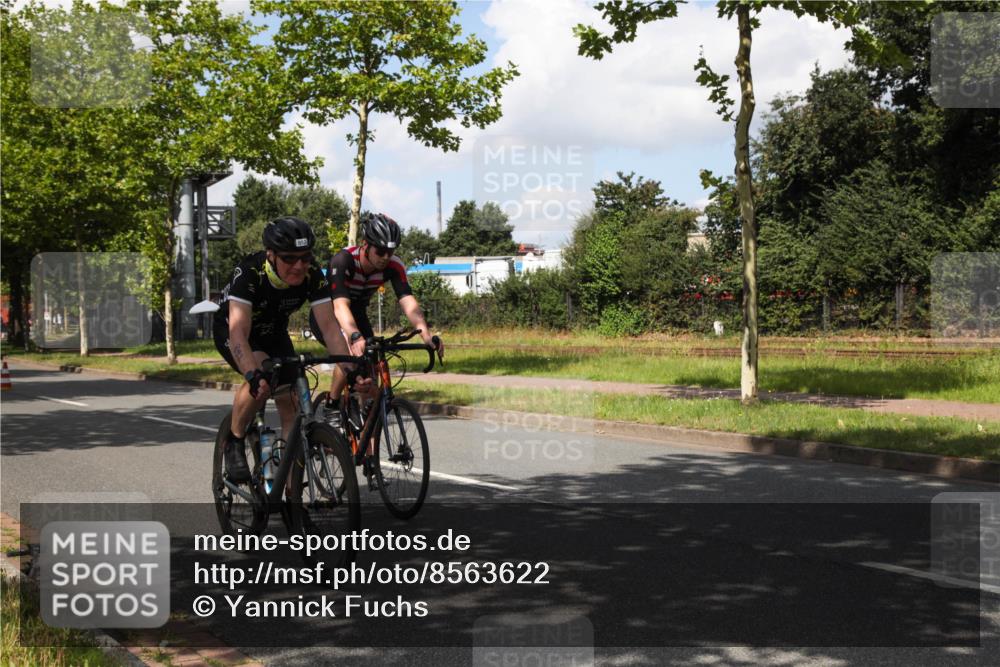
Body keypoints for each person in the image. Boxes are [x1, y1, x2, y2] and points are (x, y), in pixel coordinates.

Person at [214, 216, 354, 482]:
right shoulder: (250, 273)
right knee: (263, 379)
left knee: (290, 403)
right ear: (271, 255)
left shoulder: (312, 275)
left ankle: (291, 493)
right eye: (289, 258)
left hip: (273, 332)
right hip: (236, 331)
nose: (299, 265)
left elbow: (330, 327)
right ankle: (234, 440)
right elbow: (238, 332)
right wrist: (252, 375)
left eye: (305, 257)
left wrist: (350, 368)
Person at [309, 212, 443, 423]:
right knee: (349, 355)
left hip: (358, 313)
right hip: (329, 314)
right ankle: (332, 406)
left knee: (372, 364)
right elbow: (340, 306)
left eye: (390, 251)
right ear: (365, 244)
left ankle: (365, 418)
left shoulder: (393, 266)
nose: (385, 257)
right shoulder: (343, 260)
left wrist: (426, 335)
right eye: (380, 251)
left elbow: (408, 301)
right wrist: (354, 336)